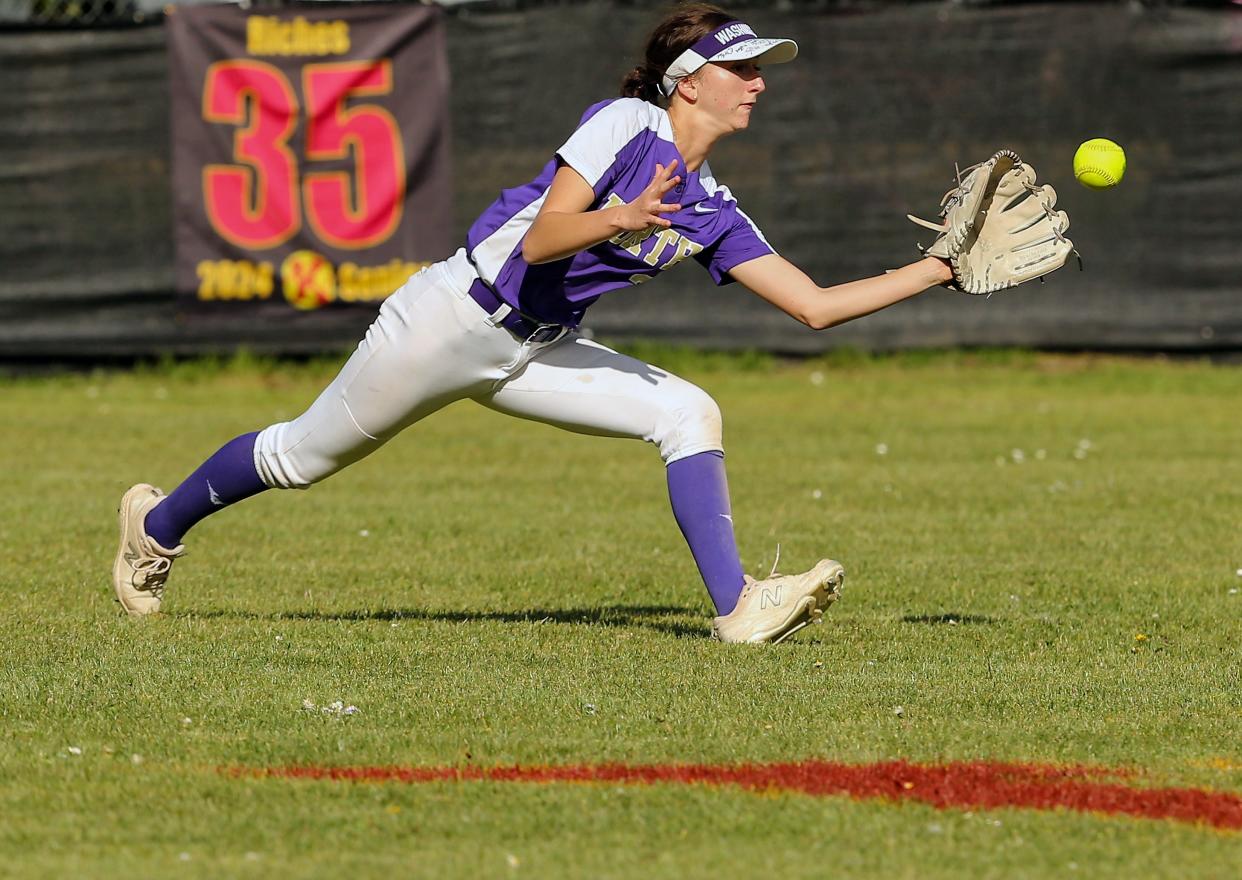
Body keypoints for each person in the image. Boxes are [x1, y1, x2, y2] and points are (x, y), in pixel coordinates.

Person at [113, 2, 954, 644]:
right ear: (689, 80)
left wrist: (941, 268)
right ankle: (154, 529)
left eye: (761, 68)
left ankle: (737, 608)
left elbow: (813, 307)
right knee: (300, 458)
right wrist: (624, 217)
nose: (760, 81)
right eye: (743, 67)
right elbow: (549, 238)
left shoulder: (713, 207)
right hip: (452, 319)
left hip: (541, 351)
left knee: (689, 411)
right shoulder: (628, 125)